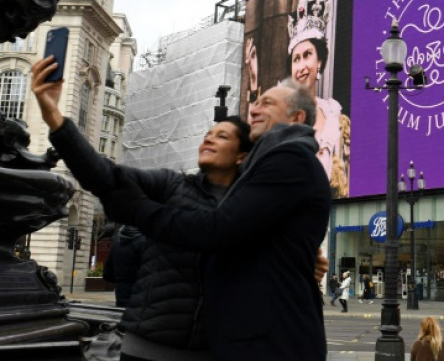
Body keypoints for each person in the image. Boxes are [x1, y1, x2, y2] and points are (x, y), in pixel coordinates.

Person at [32, 56, 255, 360]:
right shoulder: (171, 185)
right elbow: (106, 177)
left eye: (222, 136)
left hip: (214, 349)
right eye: (207, 136)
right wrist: (54, 117)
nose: (209, 140)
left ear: (242, 156)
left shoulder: (251, 208)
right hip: (147, 346)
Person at [90, 78, 330, 360]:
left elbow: (217, 229)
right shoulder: (267, 164)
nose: (253, 110)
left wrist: (138, 210)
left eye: (267, 103)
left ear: (296, 117)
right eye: (255, 103)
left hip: (272, 344)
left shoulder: (289, 158)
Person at [245, 0, 351, 198]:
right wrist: (254, 81)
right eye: (296, 59)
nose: (301, 66)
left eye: (307, 55)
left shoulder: (336, 118)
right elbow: (253, 139)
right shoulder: (283, 116)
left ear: (319, 61)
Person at [102, 224, 144, 309]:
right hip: (141, 297)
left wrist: (121, 281)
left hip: (121, 296)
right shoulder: (145, 242)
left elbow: (107, 274)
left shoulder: (117, 243)